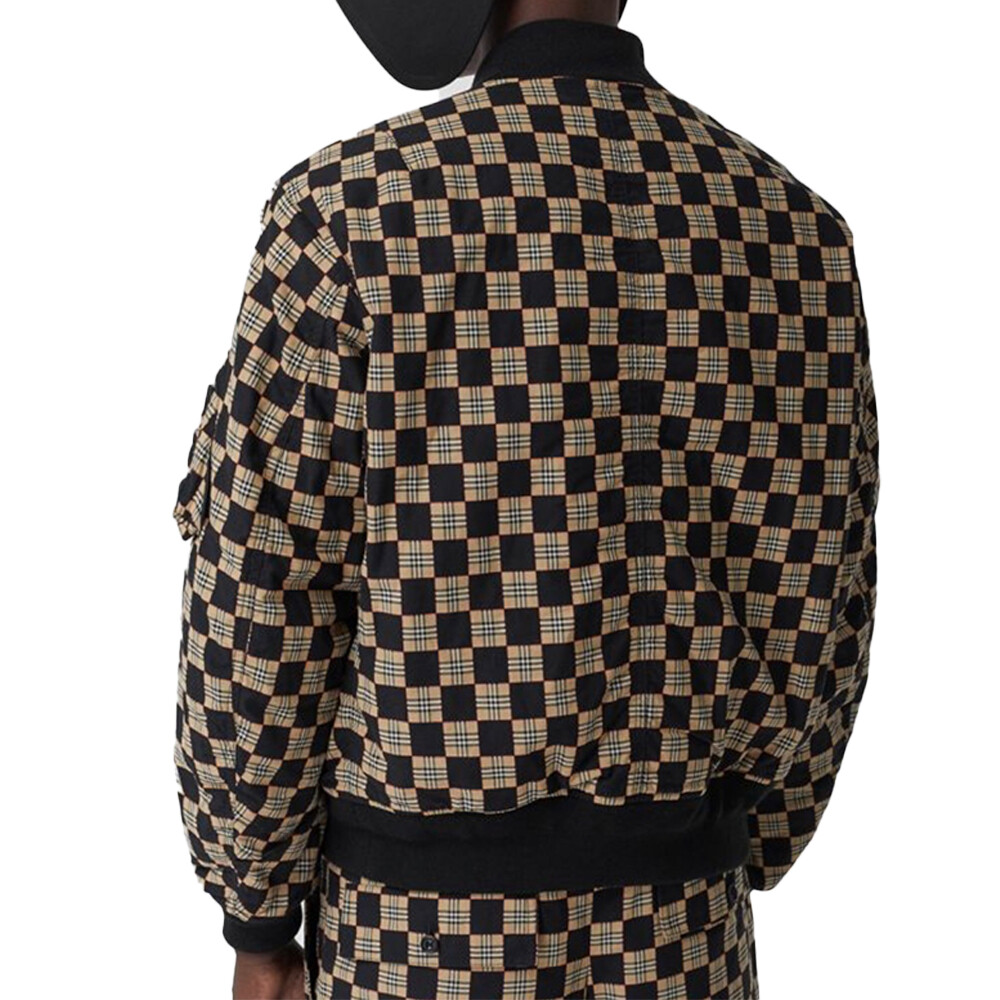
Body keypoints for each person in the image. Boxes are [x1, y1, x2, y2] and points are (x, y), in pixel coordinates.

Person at [170, 1, 879, 997]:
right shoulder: (796, 233)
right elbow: (830, 596)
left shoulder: (350, 214)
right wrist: (720, 839)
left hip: (412, 939)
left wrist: (257, 913)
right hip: (687, 930)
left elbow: (257, 598)